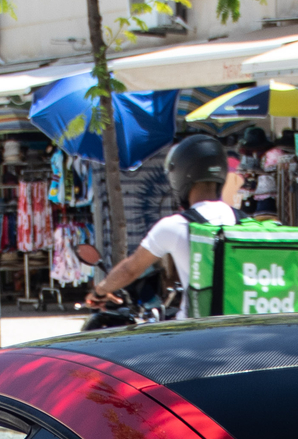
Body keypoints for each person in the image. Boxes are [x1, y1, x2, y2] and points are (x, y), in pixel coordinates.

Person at [88, 134, 236, 319]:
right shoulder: (243, 222)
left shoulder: (175, 225)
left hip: (197, 333)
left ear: (179, 175)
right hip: (240, 329)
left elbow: (130, 269)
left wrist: (100, 291)